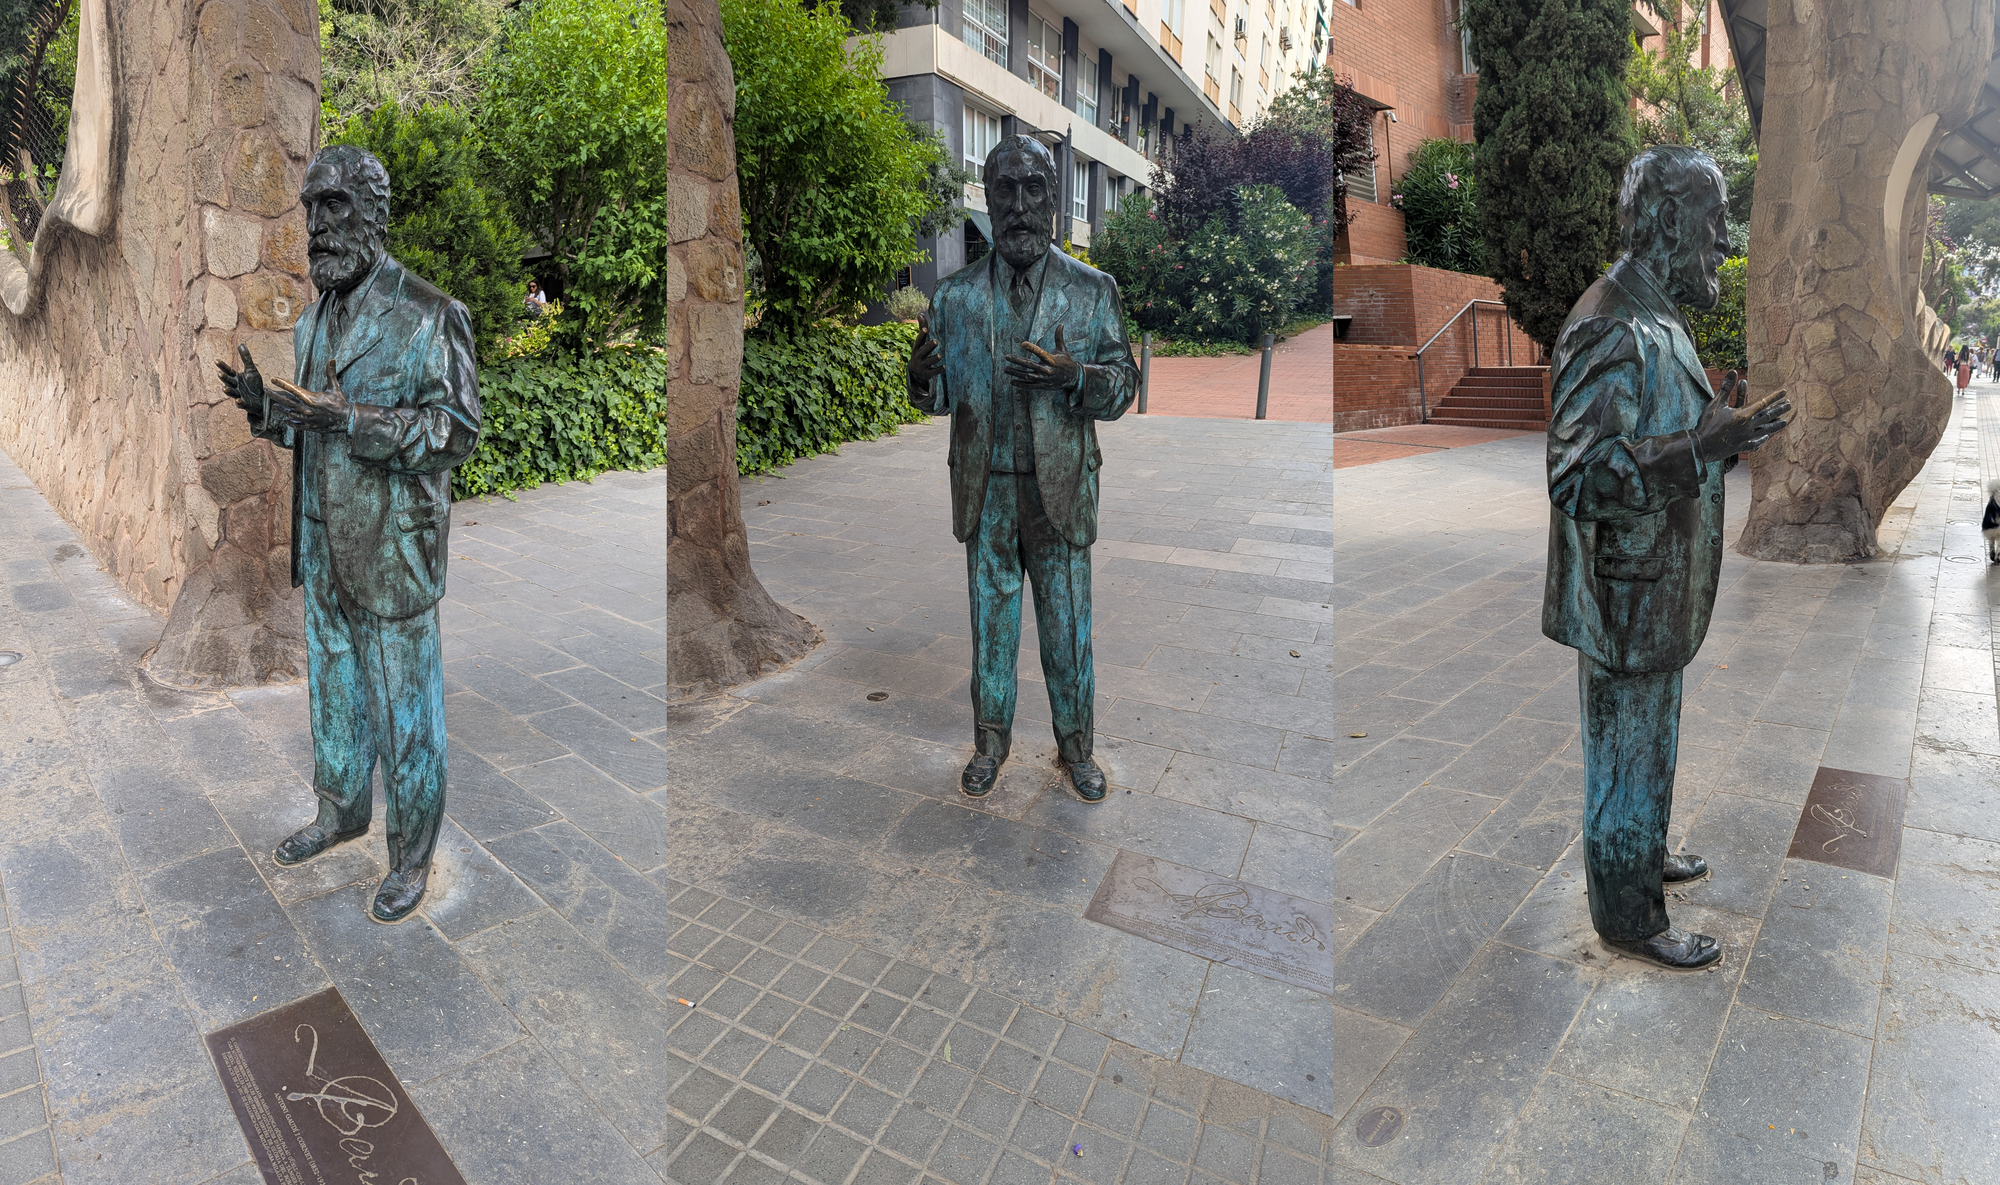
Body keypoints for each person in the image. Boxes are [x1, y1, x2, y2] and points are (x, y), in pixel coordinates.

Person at [215, 145, 482, 923]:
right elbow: (311, 433)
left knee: (407, 713)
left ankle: (411, 855)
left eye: (333, 207)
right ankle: (340, 812)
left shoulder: (432, 314)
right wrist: (270, 411)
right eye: (310, 209)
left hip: (394, 550)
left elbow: (456, 429)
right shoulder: (312, 321)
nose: (317, 226)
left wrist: (351, 419)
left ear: (373, 213)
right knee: (333, 693)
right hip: (324, 544)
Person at [1543, 145, 1790, 970]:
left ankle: (1641, 854)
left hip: (1654, 597)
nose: (1724, 241)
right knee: (1625, 754)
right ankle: (1627, 915)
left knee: (1650, 743)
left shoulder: (1655, 312)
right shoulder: (1611, 319)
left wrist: (1725, 437)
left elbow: (1655, 439)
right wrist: (1696, 446)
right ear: (1665, 220)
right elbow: (1576, 475)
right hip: (1626, 598)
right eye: (1714, 220)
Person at [905, 135, 1139, 802]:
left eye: (1033, 189)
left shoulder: (1092, 292)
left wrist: (1077, 378)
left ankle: (1077, 749)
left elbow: (1126, 385)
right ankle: (990, 743)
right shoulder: (954, 297)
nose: (1017, 206)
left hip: (1060, 489)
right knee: (991, 627)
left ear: (1055, 201)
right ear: (988, 198)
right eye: (1003, 190)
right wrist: (921, 380)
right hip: (986, 490)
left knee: (1067, 628)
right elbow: (942, 394)